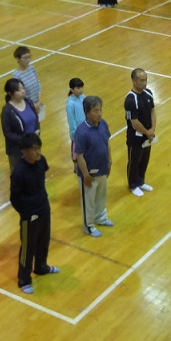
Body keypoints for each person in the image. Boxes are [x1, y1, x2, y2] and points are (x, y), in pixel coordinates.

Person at [10, 133, 60, 294]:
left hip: (44, 208)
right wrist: (27, 213)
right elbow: (14, 198)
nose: (38, 152)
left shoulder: (41, 161)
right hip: (30, 216)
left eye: (39, 148)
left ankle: (41, 267)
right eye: (34, 149)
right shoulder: (18, 172)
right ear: (24, 152)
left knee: (44, 240)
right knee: (28, 247)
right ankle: (24, 279)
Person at [74, 96, 113, 237]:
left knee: (102, 195)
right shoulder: (81, 132)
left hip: (102, 169)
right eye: (96, 111)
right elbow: (79, 155)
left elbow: (107, 143)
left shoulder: (103, 124)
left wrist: (109, 161)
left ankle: (100, 217)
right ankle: (88, 225)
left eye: (100, 110)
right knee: (88, 200)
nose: (99, 113)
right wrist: (86, 175)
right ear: (87, 112)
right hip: (89, 174)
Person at [124, 68, 156, 198]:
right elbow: (134, 122)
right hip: (135, 138)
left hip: (148, 136)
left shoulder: (148, 93)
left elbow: (152, 111)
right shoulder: (130, 100)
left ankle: (141, 181)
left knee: (144, 160)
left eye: (146, 80)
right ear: (134, 81)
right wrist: (147, 132)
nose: (145, 83)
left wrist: (152, 129)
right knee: (134, 161)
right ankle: (133, 184)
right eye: (142, 80)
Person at [1, 78, 40, 173]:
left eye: (23, 88)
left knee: (34, 171)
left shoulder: (29, 102)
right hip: (17, 150)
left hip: (33, 145)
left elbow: (36, 119)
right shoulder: (7, 111)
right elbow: (8, 133)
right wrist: (25, 140)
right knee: (20, 174)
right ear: (10, 93)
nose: (23, 91)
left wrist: (37, 133)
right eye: (18, 90)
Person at [12, 45, 42, 115]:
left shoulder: (32, 68)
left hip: (37, 104)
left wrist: (39, 102)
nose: (28, 60)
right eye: (25, 58)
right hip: (27, 106)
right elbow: (20, 94)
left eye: (29, 57)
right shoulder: (17, 75)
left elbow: (38, 85)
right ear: (18, 59)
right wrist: (32, 105)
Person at [65, 77, 86, 164]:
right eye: (78, 88)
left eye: (81, 87)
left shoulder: (83, 97)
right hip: (77, 133)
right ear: (72, 89)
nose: (81, 90)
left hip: (85, 130)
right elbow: (71, 121)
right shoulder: (70, 104)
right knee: (76, 155)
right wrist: (75, 134)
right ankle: (76, 167)